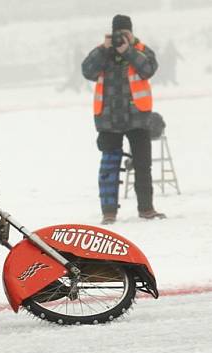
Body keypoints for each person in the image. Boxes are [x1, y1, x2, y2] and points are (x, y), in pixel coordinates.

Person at [81, 14, 165, 224]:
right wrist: (104, 48)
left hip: (137, 117)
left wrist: (128, 50)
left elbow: (148, 70)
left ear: (131, 32)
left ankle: (146, 209)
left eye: (125, 33)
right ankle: (108, 212)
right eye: (118, 33)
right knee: (109, 167)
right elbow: (87, 71)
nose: (121, 38)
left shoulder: (141, 50)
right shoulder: (103, 52)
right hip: (109, 120)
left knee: (143, 165)